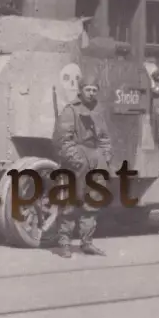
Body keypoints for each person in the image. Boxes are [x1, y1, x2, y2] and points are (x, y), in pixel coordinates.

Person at [51, 69, 112, 258]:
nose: (91, 93)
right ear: (81, 90)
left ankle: (87, 242)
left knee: (92, 203)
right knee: (69, 204)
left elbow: (104, 138)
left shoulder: (98, 111)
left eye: (94, 90)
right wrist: (76, 160)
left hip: (96, 160)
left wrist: (105, 157)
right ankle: (64, 244)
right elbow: (62, 140)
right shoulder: (70, 110)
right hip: (77, 160)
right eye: (88, 89)